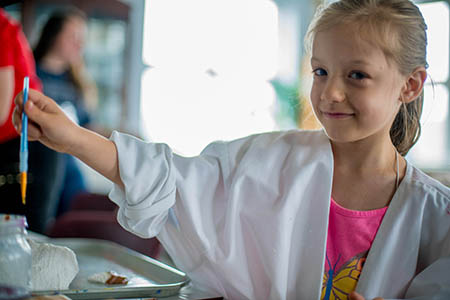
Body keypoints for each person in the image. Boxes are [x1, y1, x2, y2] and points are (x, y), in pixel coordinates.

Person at [12, 0, 450, 299]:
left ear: (410, 85)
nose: (330, 93)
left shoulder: (438, 218)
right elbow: (170, 178)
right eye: (320, 71)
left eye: (356, 75)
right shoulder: (267, 163)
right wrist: (71, 136)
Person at [0, 8, 65, 234]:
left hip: (25, 150)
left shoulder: (2, 26)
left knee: (23, 245)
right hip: (12, 148)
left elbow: (0, 111)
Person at [33, 8, 99, 216]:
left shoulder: (78, 84)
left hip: (70, 172)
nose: (79, 44)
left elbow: (87, 127)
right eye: (73, 36)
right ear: (53, 35)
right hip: (36, 165)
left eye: (82, 38)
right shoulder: (29, 74)